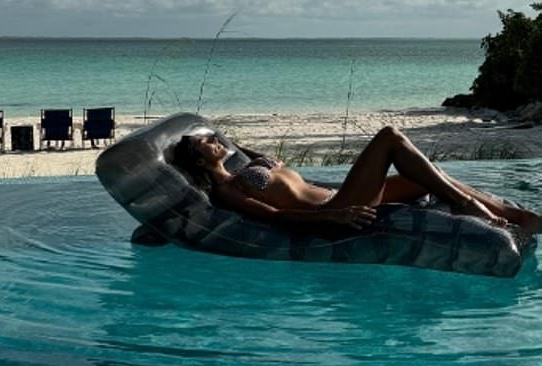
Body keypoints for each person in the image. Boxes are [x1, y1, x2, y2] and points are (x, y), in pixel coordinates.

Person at [173, 126, 542, 235]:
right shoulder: (226, 189)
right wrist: (334, 216)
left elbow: (237, 147)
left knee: (431, 175)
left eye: (211, 135)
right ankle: (470, 206)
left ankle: (512, 215)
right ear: (197, 159)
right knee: (389, 138)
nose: (213, 140)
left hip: (340, 194)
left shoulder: (243, 168)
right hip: (337, 207)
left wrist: (250, 153)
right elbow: (272, 216)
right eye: (204, 142)